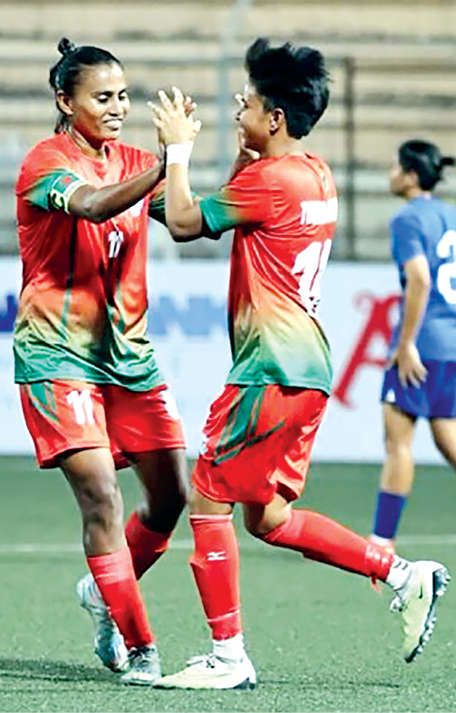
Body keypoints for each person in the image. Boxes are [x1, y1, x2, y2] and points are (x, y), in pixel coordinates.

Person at [148, 39, 450, 690]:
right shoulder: (312, 172)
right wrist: (234, 153)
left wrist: (176, 149)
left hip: (269, 369)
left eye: (248, 103)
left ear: (276, 116)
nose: (240, 110)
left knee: (207, 500)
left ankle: (228, 656)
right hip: (307, 368)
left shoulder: (269, 181)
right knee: (269, 518)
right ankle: (402, 574)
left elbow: (183, 221)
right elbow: (230, 200)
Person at [14, 37, 205, 685]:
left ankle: (102, 591)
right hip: (57, 354)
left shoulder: (133, 160)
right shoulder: (45, 162)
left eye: (123, 95)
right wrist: (168, 161)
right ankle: (141, 646)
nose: (118, 107)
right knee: (101, 496)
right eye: (102, 97)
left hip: (129, 357)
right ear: (65, 102)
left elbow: (187, 220)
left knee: (171, 498)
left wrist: (246, 162)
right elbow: (94, 205)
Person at [369, 140, 456, 553]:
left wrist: (406, 344)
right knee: (447, 436)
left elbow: (419, 277)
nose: (390, 174)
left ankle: (381, 541)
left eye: (394, 167)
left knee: (398, 442)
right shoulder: (451, 215)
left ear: (410, 175)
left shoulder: (408, 219)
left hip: (423, 345)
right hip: (452, 344)